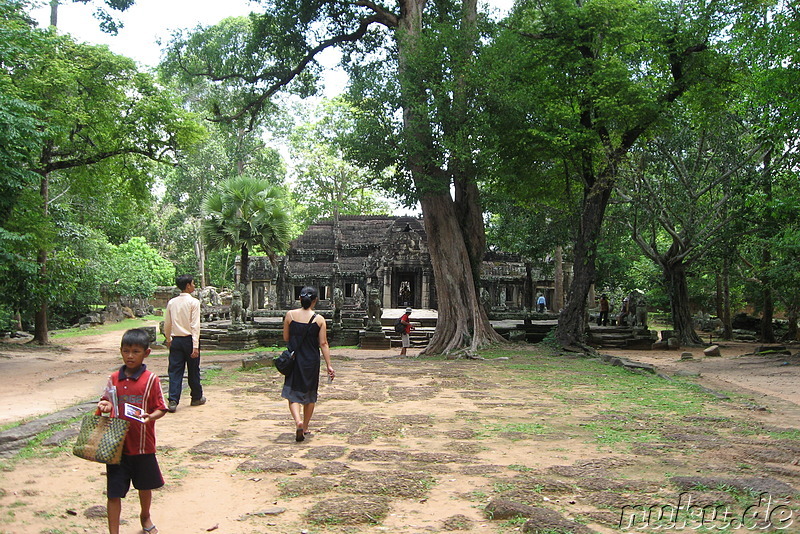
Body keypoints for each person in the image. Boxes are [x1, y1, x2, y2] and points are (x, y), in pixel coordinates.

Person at [97, 328, 167, 534]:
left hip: (143, 444)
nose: (130, 356)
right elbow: (105, 401)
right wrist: (105, 407)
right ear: (120, 351)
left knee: (144, 486)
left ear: (146, 353)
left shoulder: (151, 380)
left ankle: (145, 516)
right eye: (126, 351)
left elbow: (161, 407)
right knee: (114, 493)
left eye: (135, 351)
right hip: (116, 446)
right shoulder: (113, 379)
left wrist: (150, 417)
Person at [282, 286, 335, 442]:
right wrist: (329, 365)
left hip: (295, 359)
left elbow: (286, 338)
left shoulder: (290, 315)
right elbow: (323, 343)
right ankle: (305, 427)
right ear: (315, 301)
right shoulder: (319, 319)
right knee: (310, 394)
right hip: (311, 361)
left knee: (293, 392)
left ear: (300, 299)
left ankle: (297, 420)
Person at [163, 274, 205, 412]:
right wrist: (195, 345)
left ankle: (173, 400)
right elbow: (195, 325)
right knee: (193, 370)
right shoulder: (194, 302)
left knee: (175, 370)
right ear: (188, 285)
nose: (194, 286)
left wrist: (168, 339)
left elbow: (167, 324)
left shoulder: (172, 302)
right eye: (193, 283)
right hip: (189, 339)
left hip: (176, 340)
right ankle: (196, 397)